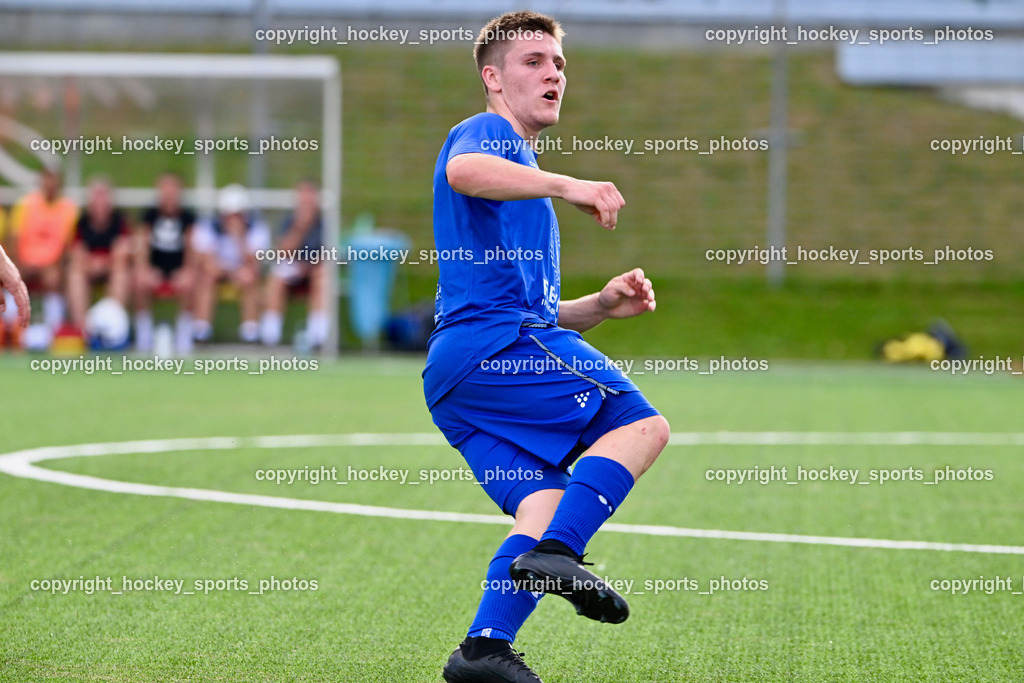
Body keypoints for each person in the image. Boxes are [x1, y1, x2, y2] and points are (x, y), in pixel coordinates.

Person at [426, 11, 670, 683]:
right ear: (493, 78)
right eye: (533, 60)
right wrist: (569, 184)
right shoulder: (489, 135)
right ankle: (562, 553)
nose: (553, 72)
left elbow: (532, 310)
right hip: (494, 350)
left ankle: (483, 647)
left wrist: (599, 307)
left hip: (459, 374)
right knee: (643, 424)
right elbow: (464, 169)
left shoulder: (523, 178)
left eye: (558, 63)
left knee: (542, 503)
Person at [191, 184, 270, 344]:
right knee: (206, 278)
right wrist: (230, 272)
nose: (233, 220)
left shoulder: (257, 229)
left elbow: (254, 262)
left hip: (243, 274)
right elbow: (208, 263)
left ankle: (251, 332)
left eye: (238, 215)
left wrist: (239, 237)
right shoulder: (208, 228)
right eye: (230, 215)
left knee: (250, 277)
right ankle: (201, 331)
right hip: (218, 274)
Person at [258, 181, 328, 348]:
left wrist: (309, 266)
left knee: (323, 277)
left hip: (313, 271)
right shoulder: (288, 221)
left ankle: (318, 337)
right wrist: (300, 227)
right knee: (276, 280)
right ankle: (270, 336)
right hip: (291, 269)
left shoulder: (324, 223)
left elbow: (327, 253)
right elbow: (283, 252)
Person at [133, 173, 197, 353]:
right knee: (138, 280)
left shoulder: (188, 217)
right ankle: (144, 334)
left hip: (178, 269)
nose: (169, 195)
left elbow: (192, 248)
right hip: (155, 269)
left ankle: (184, 335)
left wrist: (187, 270)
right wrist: (145, 269)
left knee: (191, 281)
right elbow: (141, 245)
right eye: (165, 190)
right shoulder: (149, 216)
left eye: (173, 190)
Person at [7, 167, 77, 330]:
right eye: (47, 179)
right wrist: (18, 265)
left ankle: (53, 328)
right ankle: (10, 327)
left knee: (53, 277)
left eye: (54, 179)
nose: (50, 184)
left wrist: (57, 265)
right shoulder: (26, 204)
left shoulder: (68, 209)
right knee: (11, 275)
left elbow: (69, 245)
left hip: (53, 266)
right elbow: (14, 239)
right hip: (24, 263)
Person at [66, 177, 132, 333]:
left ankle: (114, 329)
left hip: (113, 268)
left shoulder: (120, 222)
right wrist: (92, 264)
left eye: (103, 196)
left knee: (121, 272)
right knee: (75, 274)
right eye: (97, 195)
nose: (100, 201)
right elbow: (76, 252)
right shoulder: (81, 222)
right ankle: (82, 329)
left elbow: (123, 251)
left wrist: (104, 263)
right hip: (88, 269)